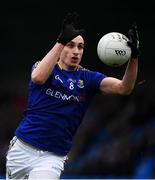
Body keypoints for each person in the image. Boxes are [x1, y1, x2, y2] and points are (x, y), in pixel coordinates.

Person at [5, 12, 140, 179]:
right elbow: (37, 78)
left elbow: (124, 88)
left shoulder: (88, 79)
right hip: (22, 149)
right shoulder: (45, 68)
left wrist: (133, 57)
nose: (76, 51)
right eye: (70, 45)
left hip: (51, 157)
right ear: (61, 47)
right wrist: (60, 41)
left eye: (80, 47)